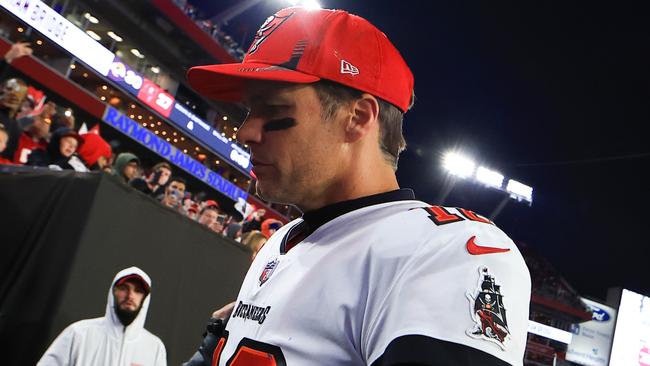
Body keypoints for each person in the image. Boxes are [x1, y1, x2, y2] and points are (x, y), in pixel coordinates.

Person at [186, 6, 531, 366]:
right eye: (247, 111)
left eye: (272, 110)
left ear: (358, 117)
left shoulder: (448, 248)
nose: (245, 132)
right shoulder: (284, 240)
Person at [37, 267, 166, 366]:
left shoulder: (154, 347)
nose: (130, 296)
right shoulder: (79, 334)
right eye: (124, 288)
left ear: (145, 298)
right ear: (113, 292)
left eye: (138, 291)